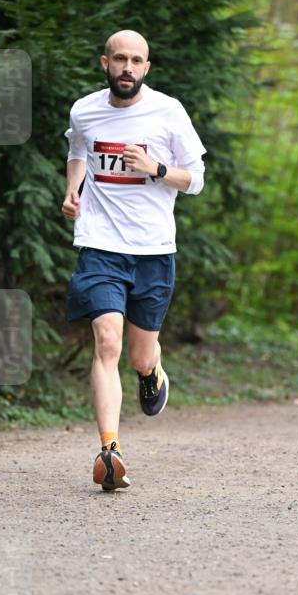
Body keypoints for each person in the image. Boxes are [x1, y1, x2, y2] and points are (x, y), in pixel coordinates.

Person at [62, 30, 206, 491]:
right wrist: (72, 189)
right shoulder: (85, 110)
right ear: (105, 63)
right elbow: (77, 150)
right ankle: (110, 451)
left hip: (153, 251)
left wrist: (156, 169)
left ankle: (150, 370)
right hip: (100, 245)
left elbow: (197, 179)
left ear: (146, 67)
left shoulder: (168, 112)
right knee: (108, 343)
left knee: (140, 353)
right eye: (120, 59)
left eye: (136, 61)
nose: (128, 68)